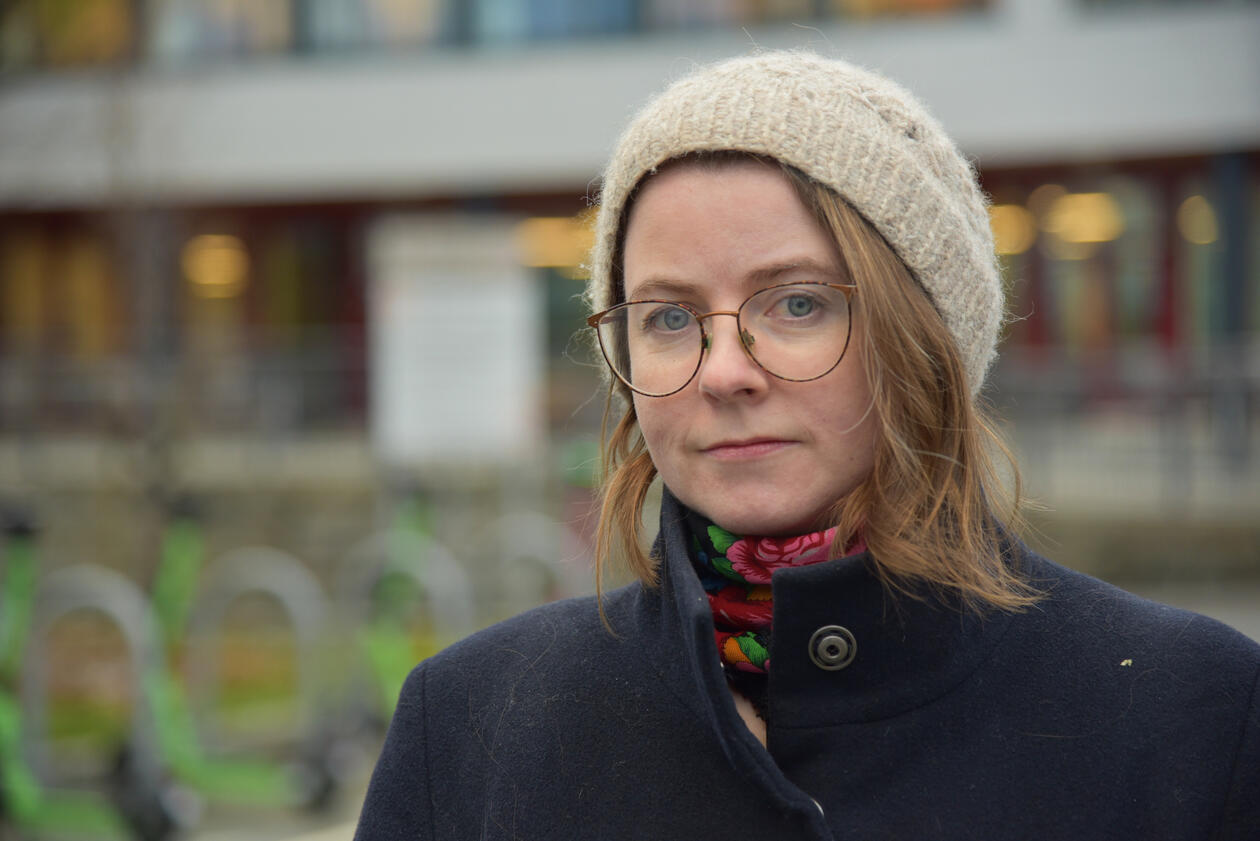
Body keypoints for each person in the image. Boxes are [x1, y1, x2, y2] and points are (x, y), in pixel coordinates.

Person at [354, 51, 1259, 839]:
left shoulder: (1190, 713)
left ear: (925, 339)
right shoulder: (468, 726)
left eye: (797, 303)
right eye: (668, 316)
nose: (723, 372)